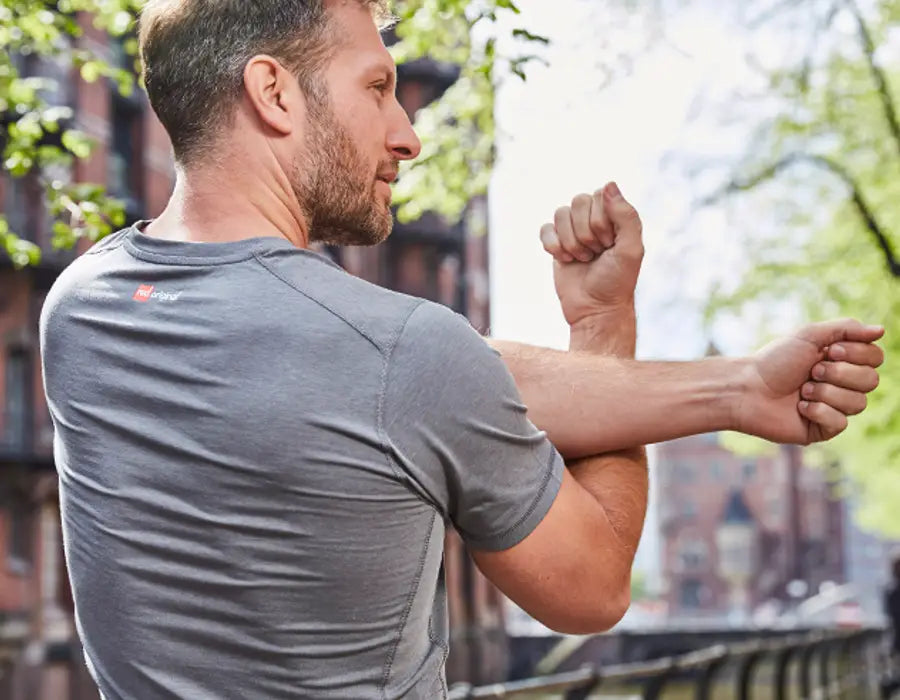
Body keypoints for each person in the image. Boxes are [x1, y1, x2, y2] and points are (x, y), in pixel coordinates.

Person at [38, 1, 885, 698]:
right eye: (377, 87)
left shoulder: (82, 311)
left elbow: (409, 371)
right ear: (275, 92)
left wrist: (734, 388)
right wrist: (603, 326)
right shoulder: (406, 356)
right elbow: (590, 592)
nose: (407, 135)